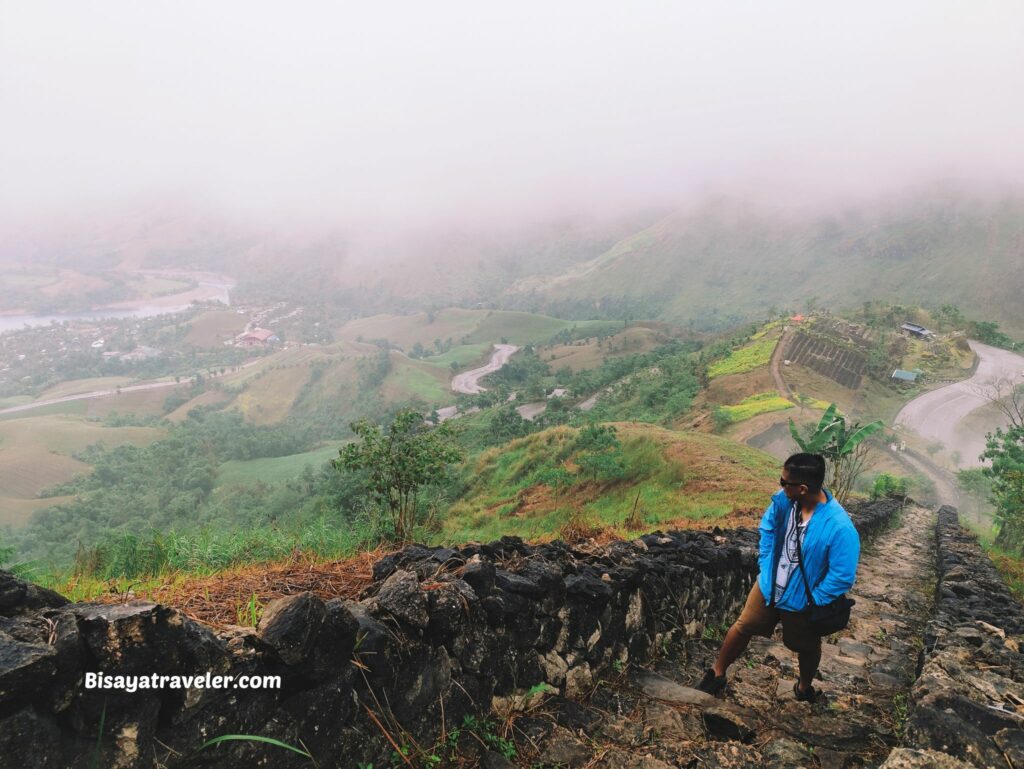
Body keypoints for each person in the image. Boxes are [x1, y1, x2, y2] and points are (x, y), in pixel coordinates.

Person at [696, 452, 860, 702]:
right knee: (743, 626)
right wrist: (767, 565)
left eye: (785, 482)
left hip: (802, 600)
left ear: (802, 488)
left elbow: (842, 576)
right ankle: (717, 673)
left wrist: (812, 599)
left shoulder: (839, 527)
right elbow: (768, 530)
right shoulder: (784, 503)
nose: (781, 486)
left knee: (805, 645)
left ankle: (804, 687)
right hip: (769, 586)